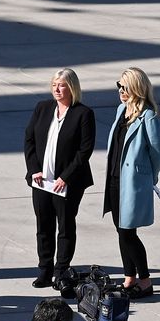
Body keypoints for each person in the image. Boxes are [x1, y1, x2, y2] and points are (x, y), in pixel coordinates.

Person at [23, 68, 96, 289]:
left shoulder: (83, 113)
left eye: (62, 85)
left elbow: (85, 150)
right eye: (54, 84)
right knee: (43, 226)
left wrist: (66, 176)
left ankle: (61, 272)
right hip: (42, 182)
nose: (57, 88)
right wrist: (34, 169)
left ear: (71, 87)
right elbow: (29, 141)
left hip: (67, 183)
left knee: (65, 226)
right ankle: (44, 270)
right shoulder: (42, 108)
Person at [104, 67, 160, 299]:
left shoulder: (149, 116)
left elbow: (157, 153)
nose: (121, 91)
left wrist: (148, 176)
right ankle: (129, 277)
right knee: (121, 231)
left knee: (129, 232)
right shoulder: (121, 110)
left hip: (133, 183)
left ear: (137, 88)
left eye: (125, 87)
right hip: (114, 180)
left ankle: (145, 280)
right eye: (119, 86)